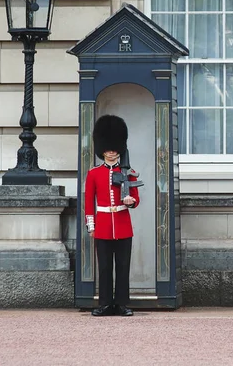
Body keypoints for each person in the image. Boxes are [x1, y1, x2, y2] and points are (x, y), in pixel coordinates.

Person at [85, 114, 140, 317]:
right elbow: (89, 201)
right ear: (102, 149)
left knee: (123, 267)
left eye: (114, 148)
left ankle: (122, 304)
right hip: (103, 226)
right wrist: (91, 225)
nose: (110, 152)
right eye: (107, 149)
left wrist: (130, 201)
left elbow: (136, 198)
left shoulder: (129, 172)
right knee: (105, 267)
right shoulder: (94, 173)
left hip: (123, 224)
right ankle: (105, 304)